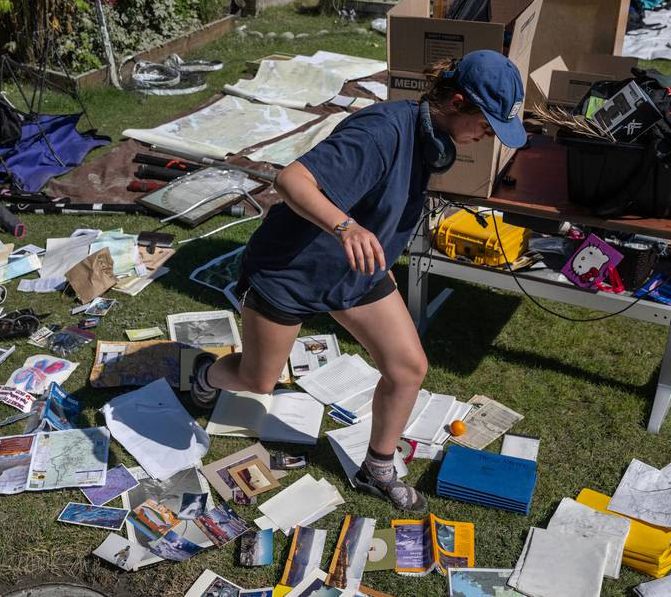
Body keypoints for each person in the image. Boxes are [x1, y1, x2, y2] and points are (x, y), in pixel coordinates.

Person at [189, 50, 527, 511]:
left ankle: (378, 466)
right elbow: (291, 181)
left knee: (408, 369)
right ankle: (205, 372)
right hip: (292, 269)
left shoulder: (432, 140)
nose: (488, 135)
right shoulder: (380, 130)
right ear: (457, 101)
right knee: (259, 379)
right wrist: (346, 227)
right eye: (487, 122)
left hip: (357, 269)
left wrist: (377, 247)